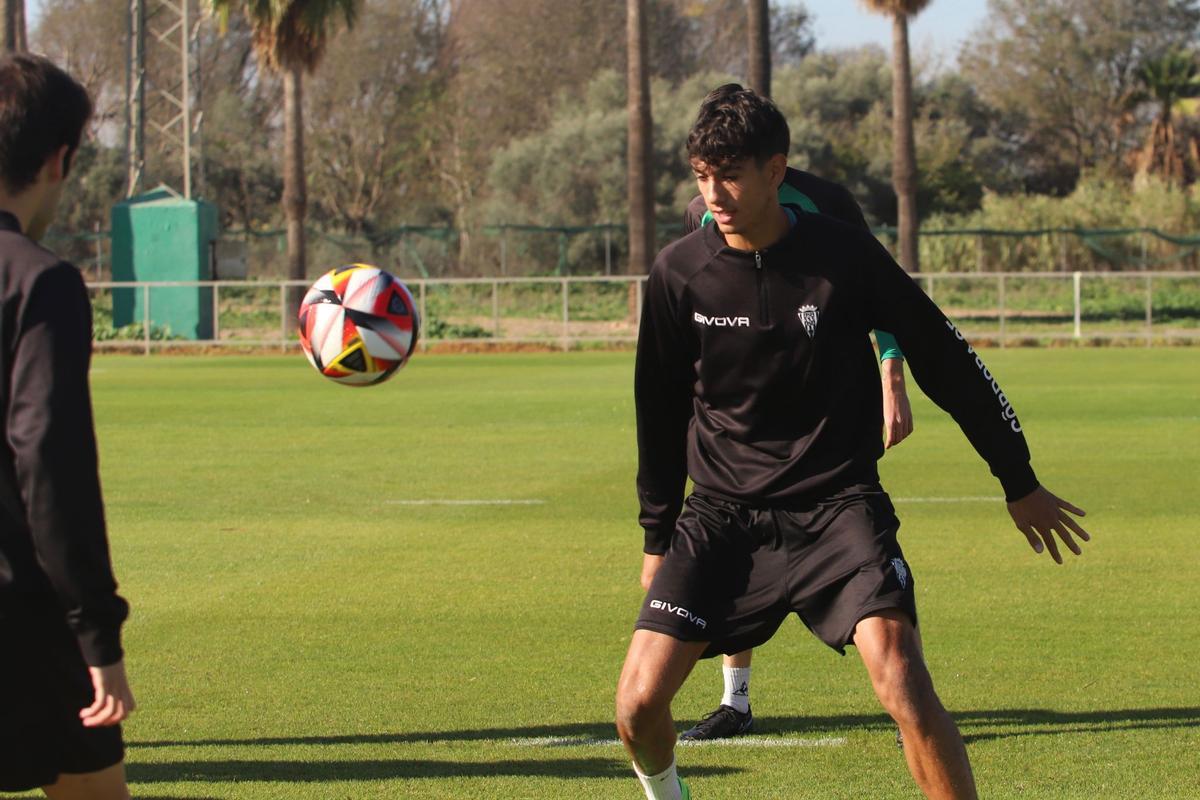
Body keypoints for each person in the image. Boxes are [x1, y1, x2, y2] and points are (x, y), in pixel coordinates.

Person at [616, 85, 1090, 800]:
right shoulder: (679, 273)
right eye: (701, 175)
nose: (715, 192)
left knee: (901, 677)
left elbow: (948, 360)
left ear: (777, 171)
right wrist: (657, 534)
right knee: (637, 708)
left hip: (836, 507)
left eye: (732, 174)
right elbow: (655, 409)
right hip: (720, 515)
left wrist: (1016, 479)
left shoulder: (845, 257)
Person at [675, 138, 915, 742]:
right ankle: (736, 702)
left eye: (732, 163)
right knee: (733, 544)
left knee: (863, 546)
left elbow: (881, 289)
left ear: (769, 158)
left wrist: (891, 374)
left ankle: (905, 695)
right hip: (742, 411)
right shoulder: (699, 209)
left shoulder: (829, 201)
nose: (716, 187)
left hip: (823, 411)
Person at [0, 53, 135, 799]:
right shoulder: (39, 280)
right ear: (59, 159)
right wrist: (96, 631)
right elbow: (47, 459)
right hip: (21, 616)